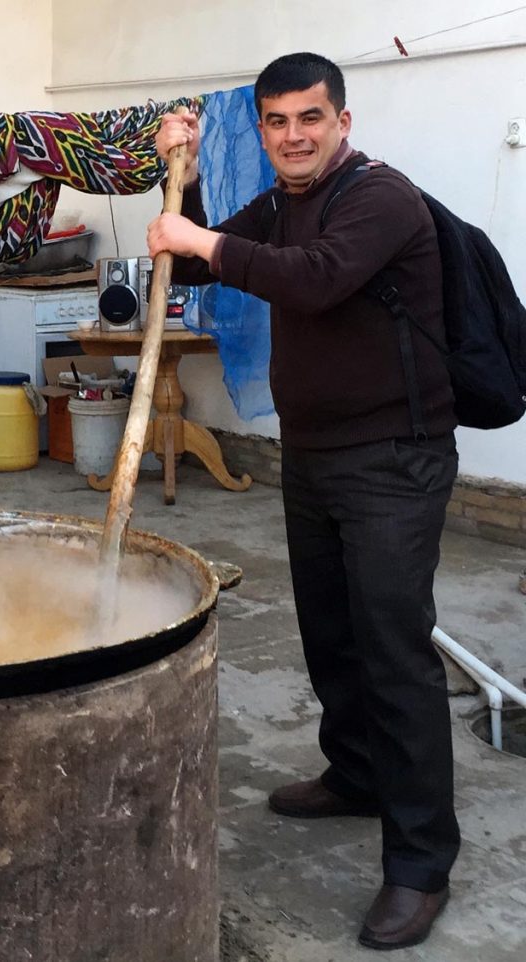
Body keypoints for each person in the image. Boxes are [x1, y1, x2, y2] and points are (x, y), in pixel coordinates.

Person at [147, 53, 458, 950]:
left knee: (394, 651)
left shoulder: (380, 199)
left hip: (395, 459)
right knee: (330, 631)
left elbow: (315, 277)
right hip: (316, 456)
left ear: (342, 122)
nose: (293, 136)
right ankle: (356, 776)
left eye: (309, 119)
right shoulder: (280, 202)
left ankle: (420, 864)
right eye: (277, 122)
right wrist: (192, 183)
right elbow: (211, 265)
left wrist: (196, 241)